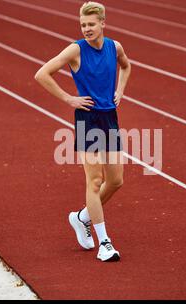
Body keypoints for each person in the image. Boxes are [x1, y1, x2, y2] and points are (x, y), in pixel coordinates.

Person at [35, 1, 131, 262]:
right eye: (82, 25)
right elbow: (42, 74)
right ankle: (105, 243)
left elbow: (126, 65)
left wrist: (120, 90)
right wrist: (69, 98)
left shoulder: (115, 47)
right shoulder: (75, 50)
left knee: (116, 181)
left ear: (102, 24)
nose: (86, 29)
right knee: (95, 180)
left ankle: (81, 218)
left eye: (91, 24)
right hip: (87, 118)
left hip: (109, 116)